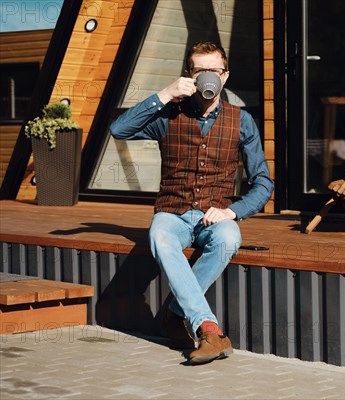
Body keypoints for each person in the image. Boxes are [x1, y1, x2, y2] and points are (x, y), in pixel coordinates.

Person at [110, 41, 274, 364]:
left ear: (224, 76)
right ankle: (209, 329)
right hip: (172, 212)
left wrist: (232, 210)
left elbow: (263, 183)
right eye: (201, 71)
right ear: (190, 75)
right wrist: (165, 94)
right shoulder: (168, 115)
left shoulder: (242, 122)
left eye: (214, 70)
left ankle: (174, 312)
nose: (209, 77)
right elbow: (119, 129)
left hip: (215, 216)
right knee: (160, 236)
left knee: (230, 237)